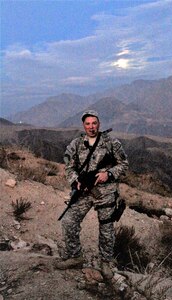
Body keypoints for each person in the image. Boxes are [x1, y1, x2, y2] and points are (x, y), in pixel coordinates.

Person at [55, 110, 128, 271]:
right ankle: (75, 257)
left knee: (106, 227)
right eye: (88, 123)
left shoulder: (111, 143)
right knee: (69, 221)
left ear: (99, 124)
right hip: (85, 191)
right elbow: (68, 165)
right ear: (83, 125)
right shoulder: (76, 144)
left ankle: (106, 262)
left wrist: (107, 174)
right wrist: (76, 181)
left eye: (94, 123)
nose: (91, 126)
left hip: (106, 193)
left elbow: (124, 164)